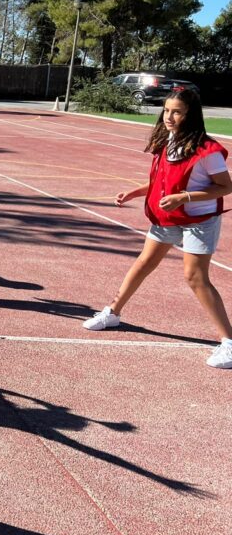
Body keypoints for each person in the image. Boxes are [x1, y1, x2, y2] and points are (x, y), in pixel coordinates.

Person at [85, 90, 232, 369]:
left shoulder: (206, 149)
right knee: (143, 263)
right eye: (166, 111)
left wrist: (185, 197)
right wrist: (134, 192)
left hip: (199, 221)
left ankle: (229, 342)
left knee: (195, 277)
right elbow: (161, 182)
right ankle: (113, 313)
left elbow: (227, 186)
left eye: (177, 112)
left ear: (191, 114)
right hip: (167, 218)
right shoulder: (166, 142)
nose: (169, 117)